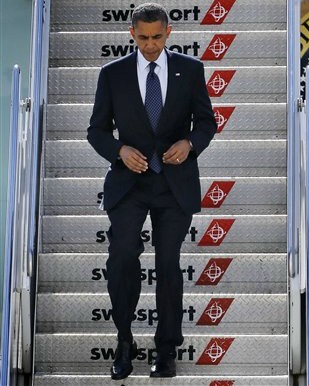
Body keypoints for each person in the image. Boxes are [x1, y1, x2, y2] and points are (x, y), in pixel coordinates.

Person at [87, 2, 216, 379]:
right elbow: (96, 130)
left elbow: (207, 122)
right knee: (123, 257)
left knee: (167, 265)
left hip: (174, 185)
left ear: (168, 33)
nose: (149, 45)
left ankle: (166, 350)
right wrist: (119, 151)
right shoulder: (113, 74)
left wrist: (190, 144)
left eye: (156, 37)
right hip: (129, 184)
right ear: (132, 34)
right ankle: (124, 343)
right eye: (142, 38)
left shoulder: (190, 70)